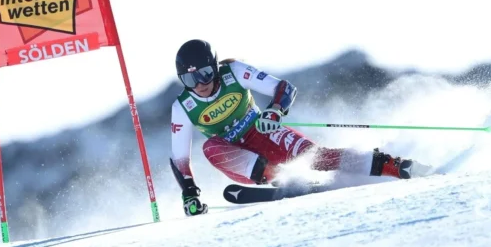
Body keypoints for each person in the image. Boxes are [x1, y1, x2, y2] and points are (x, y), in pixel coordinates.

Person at [169, 39, 429, 216]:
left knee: (319, 158)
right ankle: (280, 179)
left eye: (204, 73)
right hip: (239, 159)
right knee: (210, 146)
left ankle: (395, 165)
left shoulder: (233, 72)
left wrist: (274, 111)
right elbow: (180, 159)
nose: (200, 83)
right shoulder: (183, 107)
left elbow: (284, 88)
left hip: (262, 132)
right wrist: (190, 193)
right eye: (189, 78)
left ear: (214, 67)